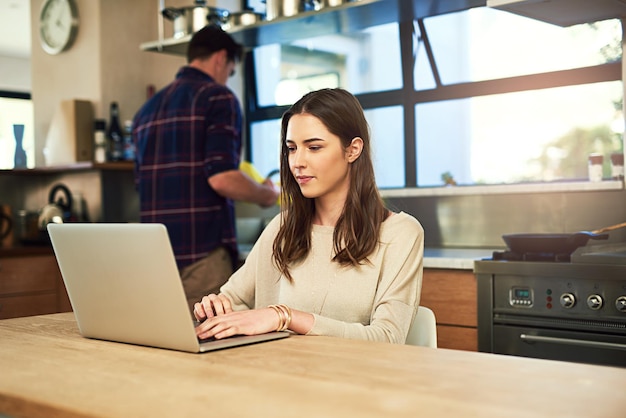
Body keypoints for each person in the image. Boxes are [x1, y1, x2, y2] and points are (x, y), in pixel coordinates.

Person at [194, 88, 424, 344]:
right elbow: (233, 300)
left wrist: (285, 317)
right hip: (280, 376)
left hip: (354, 381)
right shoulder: (282, 226)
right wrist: (215, 307)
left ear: (353, 150)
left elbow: (388, 339)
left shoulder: (401, 233)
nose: (297, 162)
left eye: (314, 147)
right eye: (292, 149)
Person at [133, 25, 279, 312]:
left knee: (160, 346)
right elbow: (222, 178)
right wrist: (266, 195)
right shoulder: (218, 98)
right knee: (208, 347)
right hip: (202, 256)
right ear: (221, 58)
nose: (227, 78)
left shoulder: (145, 111)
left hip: (155, 257)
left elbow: (140, 184)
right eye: (231, 71)